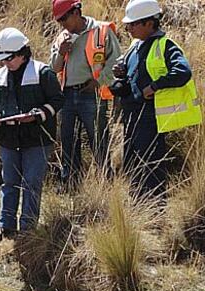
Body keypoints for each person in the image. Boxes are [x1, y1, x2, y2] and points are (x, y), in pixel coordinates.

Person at [112, 0, 201, 201]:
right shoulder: (135, 47)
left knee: (151, 166)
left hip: (150, 117)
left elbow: (182, 72)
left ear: (149, 23)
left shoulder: (165, 45)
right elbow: (133, 75)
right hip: (132, 116)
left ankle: (156, 212)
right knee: (132, 163)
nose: (129, 29)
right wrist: (121, 73)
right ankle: (138, 209)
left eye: (133, 24)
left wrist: (154, 86)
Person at [0, 28, 64, 244]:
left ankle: (28, 228)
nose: (5, 63)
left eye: (9, 58)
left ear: (22, 53)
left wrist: (39, 114)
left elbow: (57, 100)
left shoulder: (43, 72)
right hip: (8, 139)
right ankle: (6, 224)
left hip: (37, 139)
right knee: (9, 182)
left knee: (31, 183)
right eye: (2, 59)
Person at [50, 0, 121, 189]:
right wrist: (61, 53)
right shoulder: (62, 38)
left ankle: (107, 184)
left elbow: (117, 60)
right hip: (67, 95)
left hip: (92, 95)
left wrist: (99, 81)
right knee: (68, 140)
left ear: (76, 12)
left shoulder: (101, 30)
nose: (61, 23)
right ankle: (71, 183)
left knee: (98, 140)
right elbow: (54, 68)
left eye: (64, 18)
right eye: (58, 20)